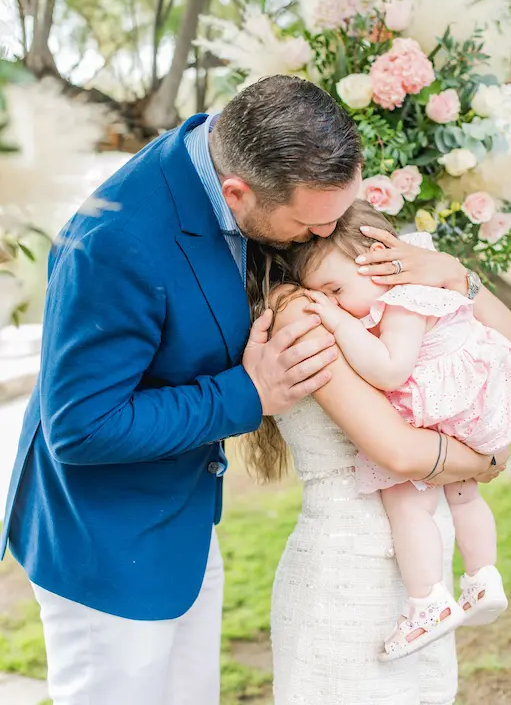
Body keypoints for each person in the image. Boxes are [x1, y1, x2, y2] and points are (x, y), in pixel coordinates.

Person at [0, 76, 364, 705]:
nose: (323, 236)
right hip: (106, 549)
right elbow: (81, 427)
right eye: (311, 227)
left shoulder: (232, 150)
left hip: (183, 521)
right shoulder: (116, 245)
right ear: (236, 193)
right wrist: (250, 392)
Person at [244, 204, 510, 704]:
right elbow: (398, 452)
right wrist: (483, 462)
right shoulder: (304, 306)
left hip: (422, 559)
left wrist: (456, 275)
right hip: (352, 561)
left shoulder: (369, 293)